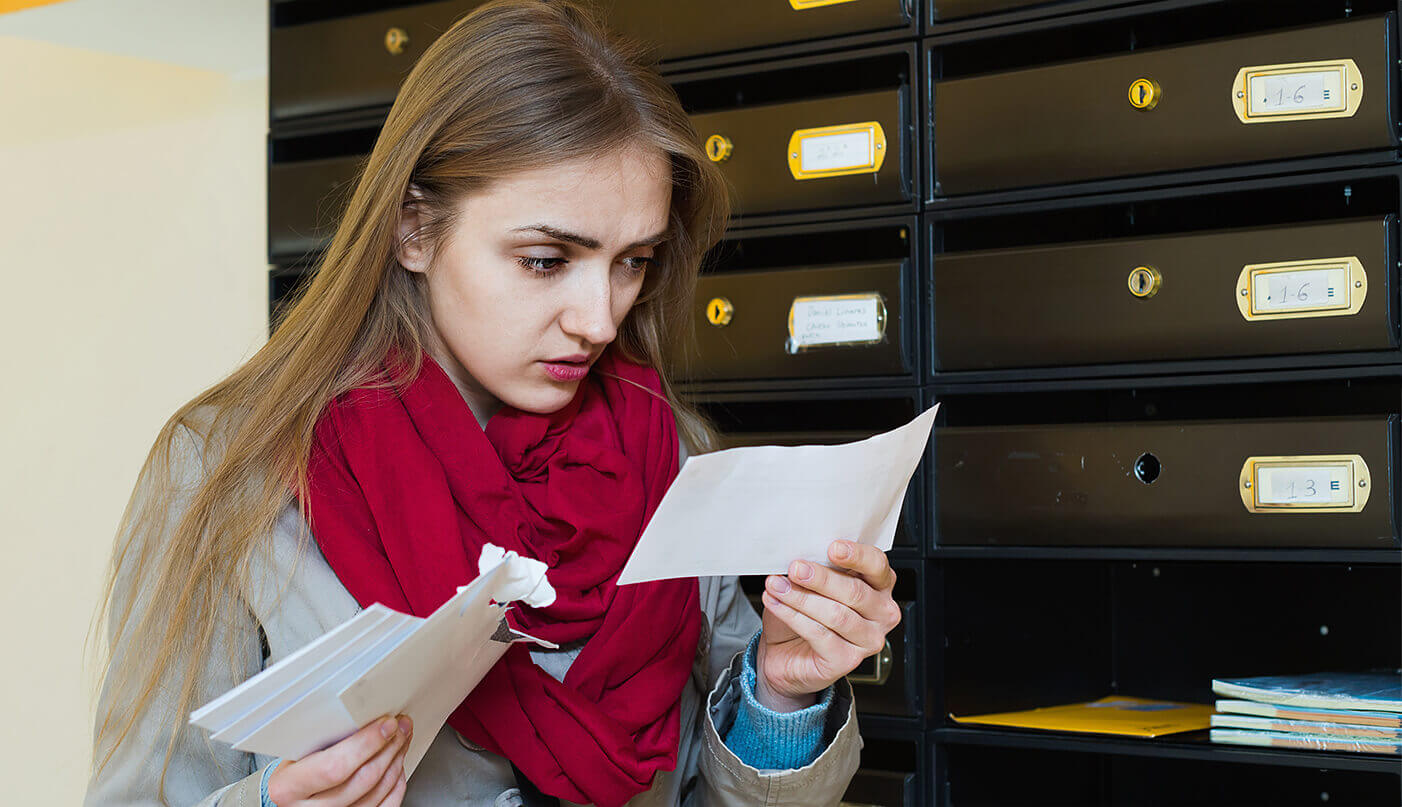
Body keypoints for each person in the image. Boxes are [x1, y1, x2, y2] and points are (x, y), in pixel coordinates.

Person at [83, 1, 902, 805]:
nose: (599, 318)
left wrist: (782, 695)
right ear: (413, 230)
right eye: (547, 260)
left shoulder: (666, 449)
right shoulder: (229, 464)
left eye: (633, 261)